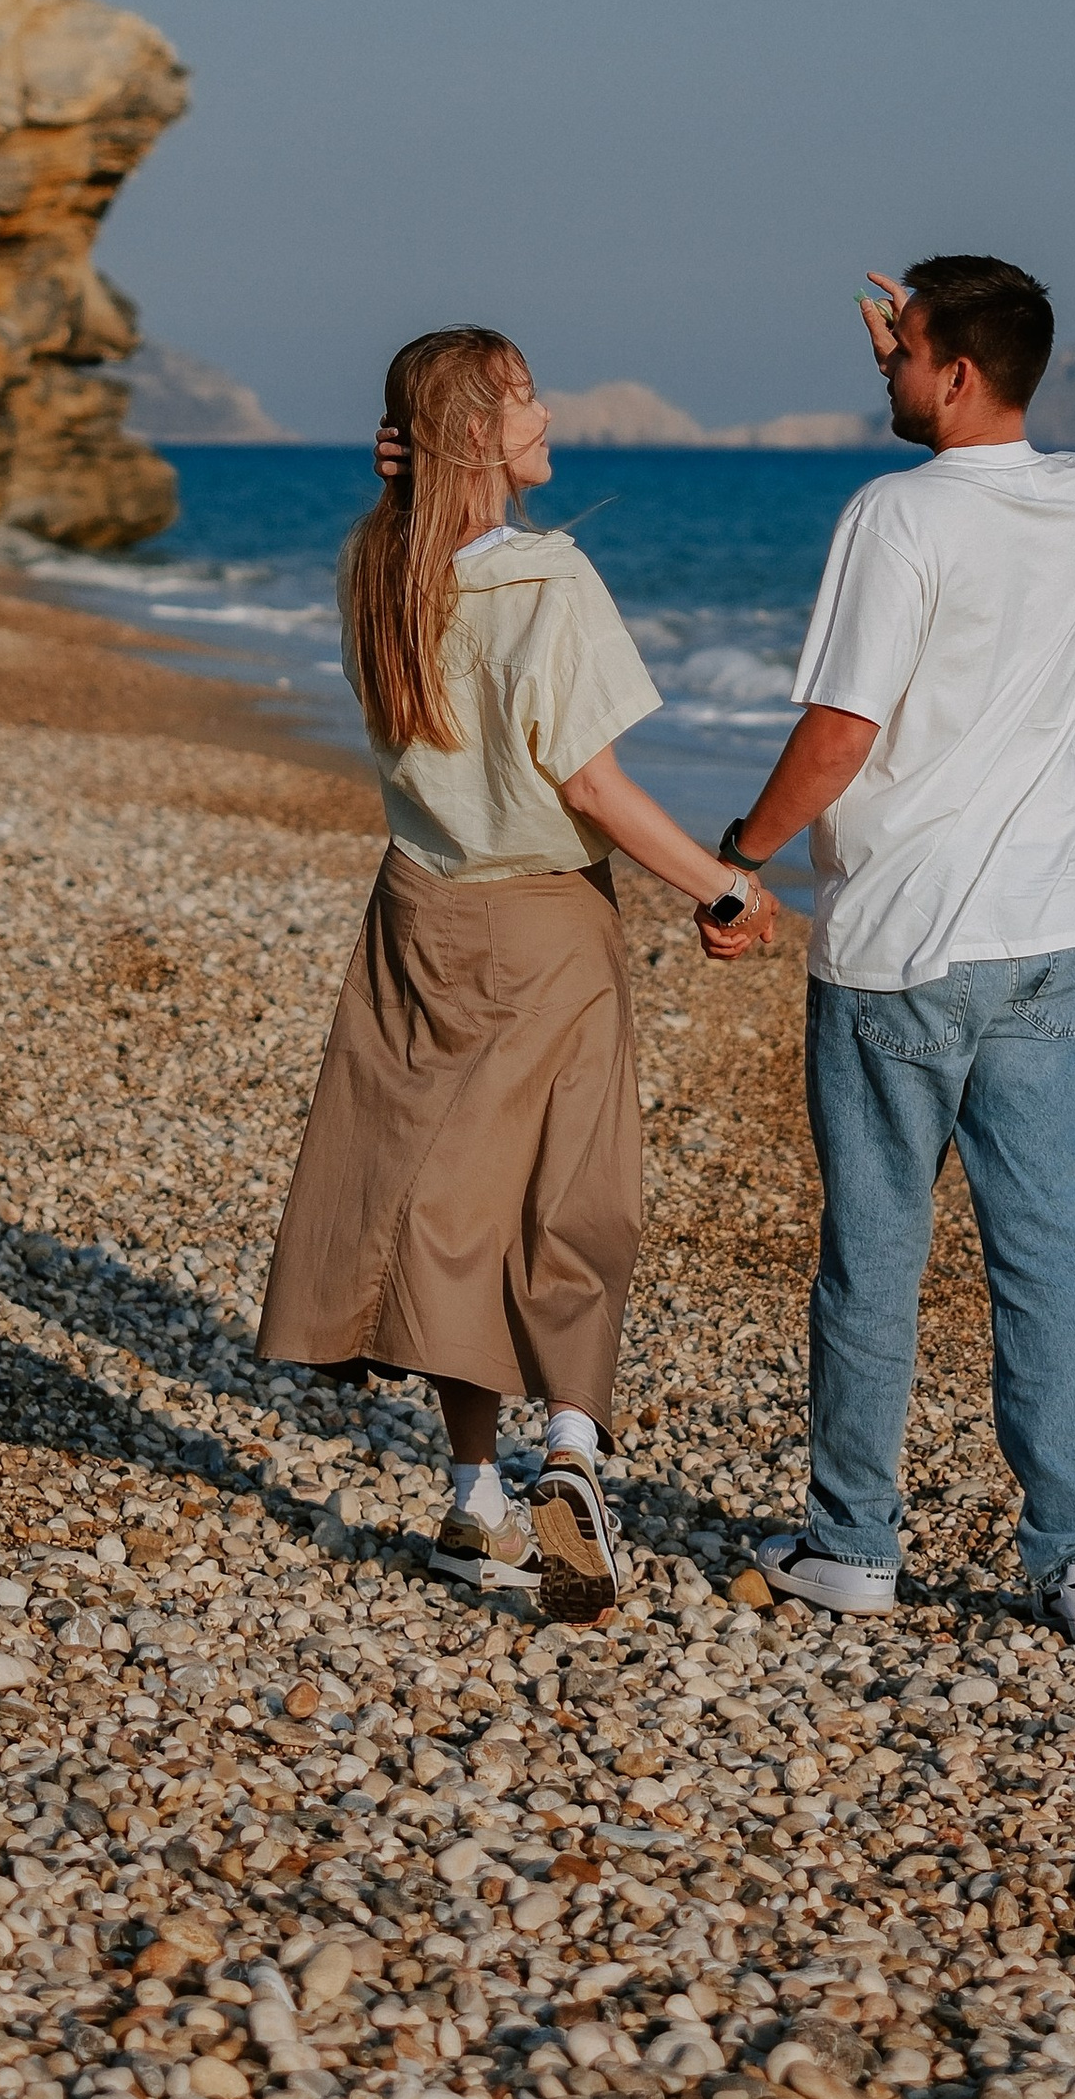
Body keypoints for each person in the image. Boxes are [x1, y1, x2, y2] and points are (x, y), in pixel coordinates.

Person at [258, 325, 777, 1621]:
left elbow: (406, 535)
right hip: (545, 923)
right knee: (574, 1193)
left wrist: (404, 485)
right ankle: (574, 1452)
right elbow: (590, 785)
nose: (549, 415)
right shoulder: (551, 578)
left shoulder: (377, 571)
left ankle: (475, 1496)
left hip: (419, 910)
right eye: (525, 398)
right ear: (476, 434)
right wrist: (722, 886)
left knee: (454, 1203)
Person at [704, 255, 1075, 1643]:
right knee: (1047, 1248)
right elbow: (984, 441)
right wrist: (935, 355)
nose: (883, 367)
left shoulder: (894, 515)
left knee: (875, 1256)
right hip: (1052, 933)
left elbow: (843, 731)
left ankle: (853, 1547)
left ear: (950, 370)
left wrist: (741, 853)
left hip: (905, 941)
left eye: (903, 355)